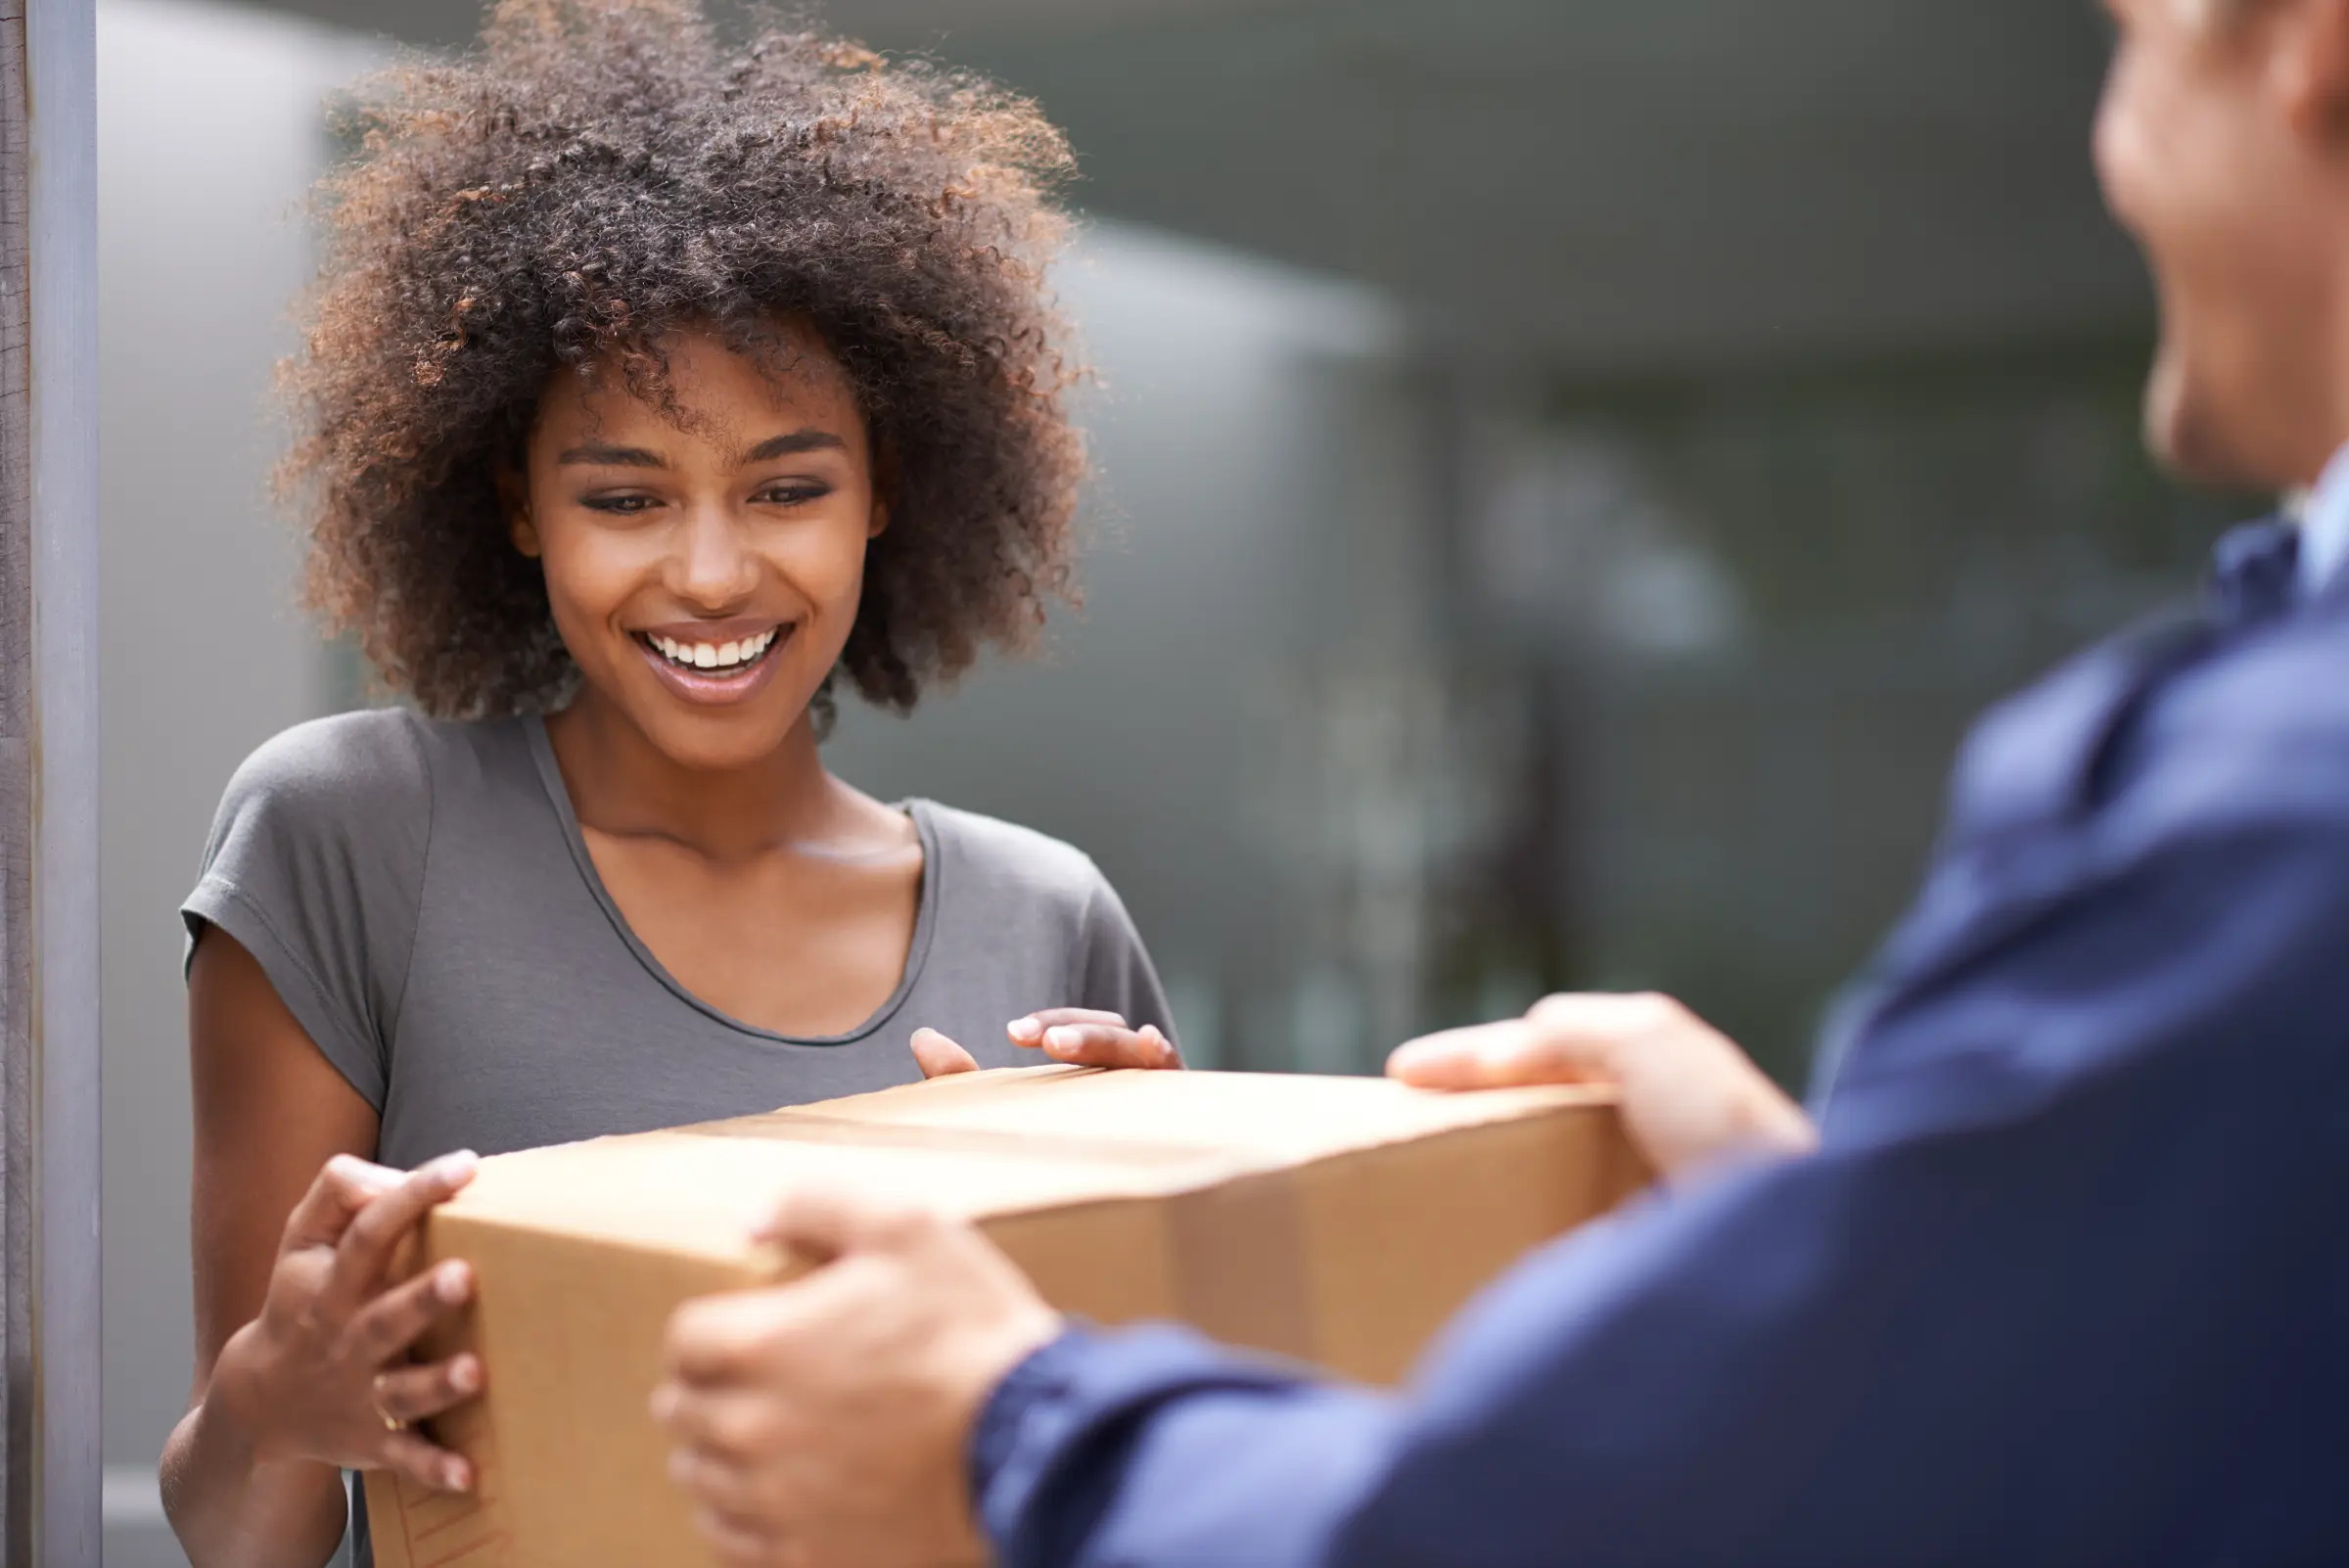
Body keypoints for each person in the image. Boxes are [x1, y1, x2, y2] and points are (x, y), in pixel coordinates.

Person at [649, 0, 2349, 1562]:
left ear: (2305, 46)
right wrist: (1830, 1218)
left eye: (2130, 40)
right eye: (630, 495)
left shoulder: (2277, 802)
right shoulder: (382, 841)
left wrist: (1015, 1427)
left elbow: (1574, 1525)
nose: (2112, 160)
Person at [158, 7, 1183, 1568]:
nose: (711, 573)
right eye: (625, 496)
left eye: (787, 487)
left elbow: (1137, 1498)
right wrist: (279, 1398)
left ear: (883, 493)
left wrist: (1179, 1214)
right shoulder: (353, 836)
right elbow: (238, 1536)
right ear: (515, 503)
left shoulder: (1047, 918)